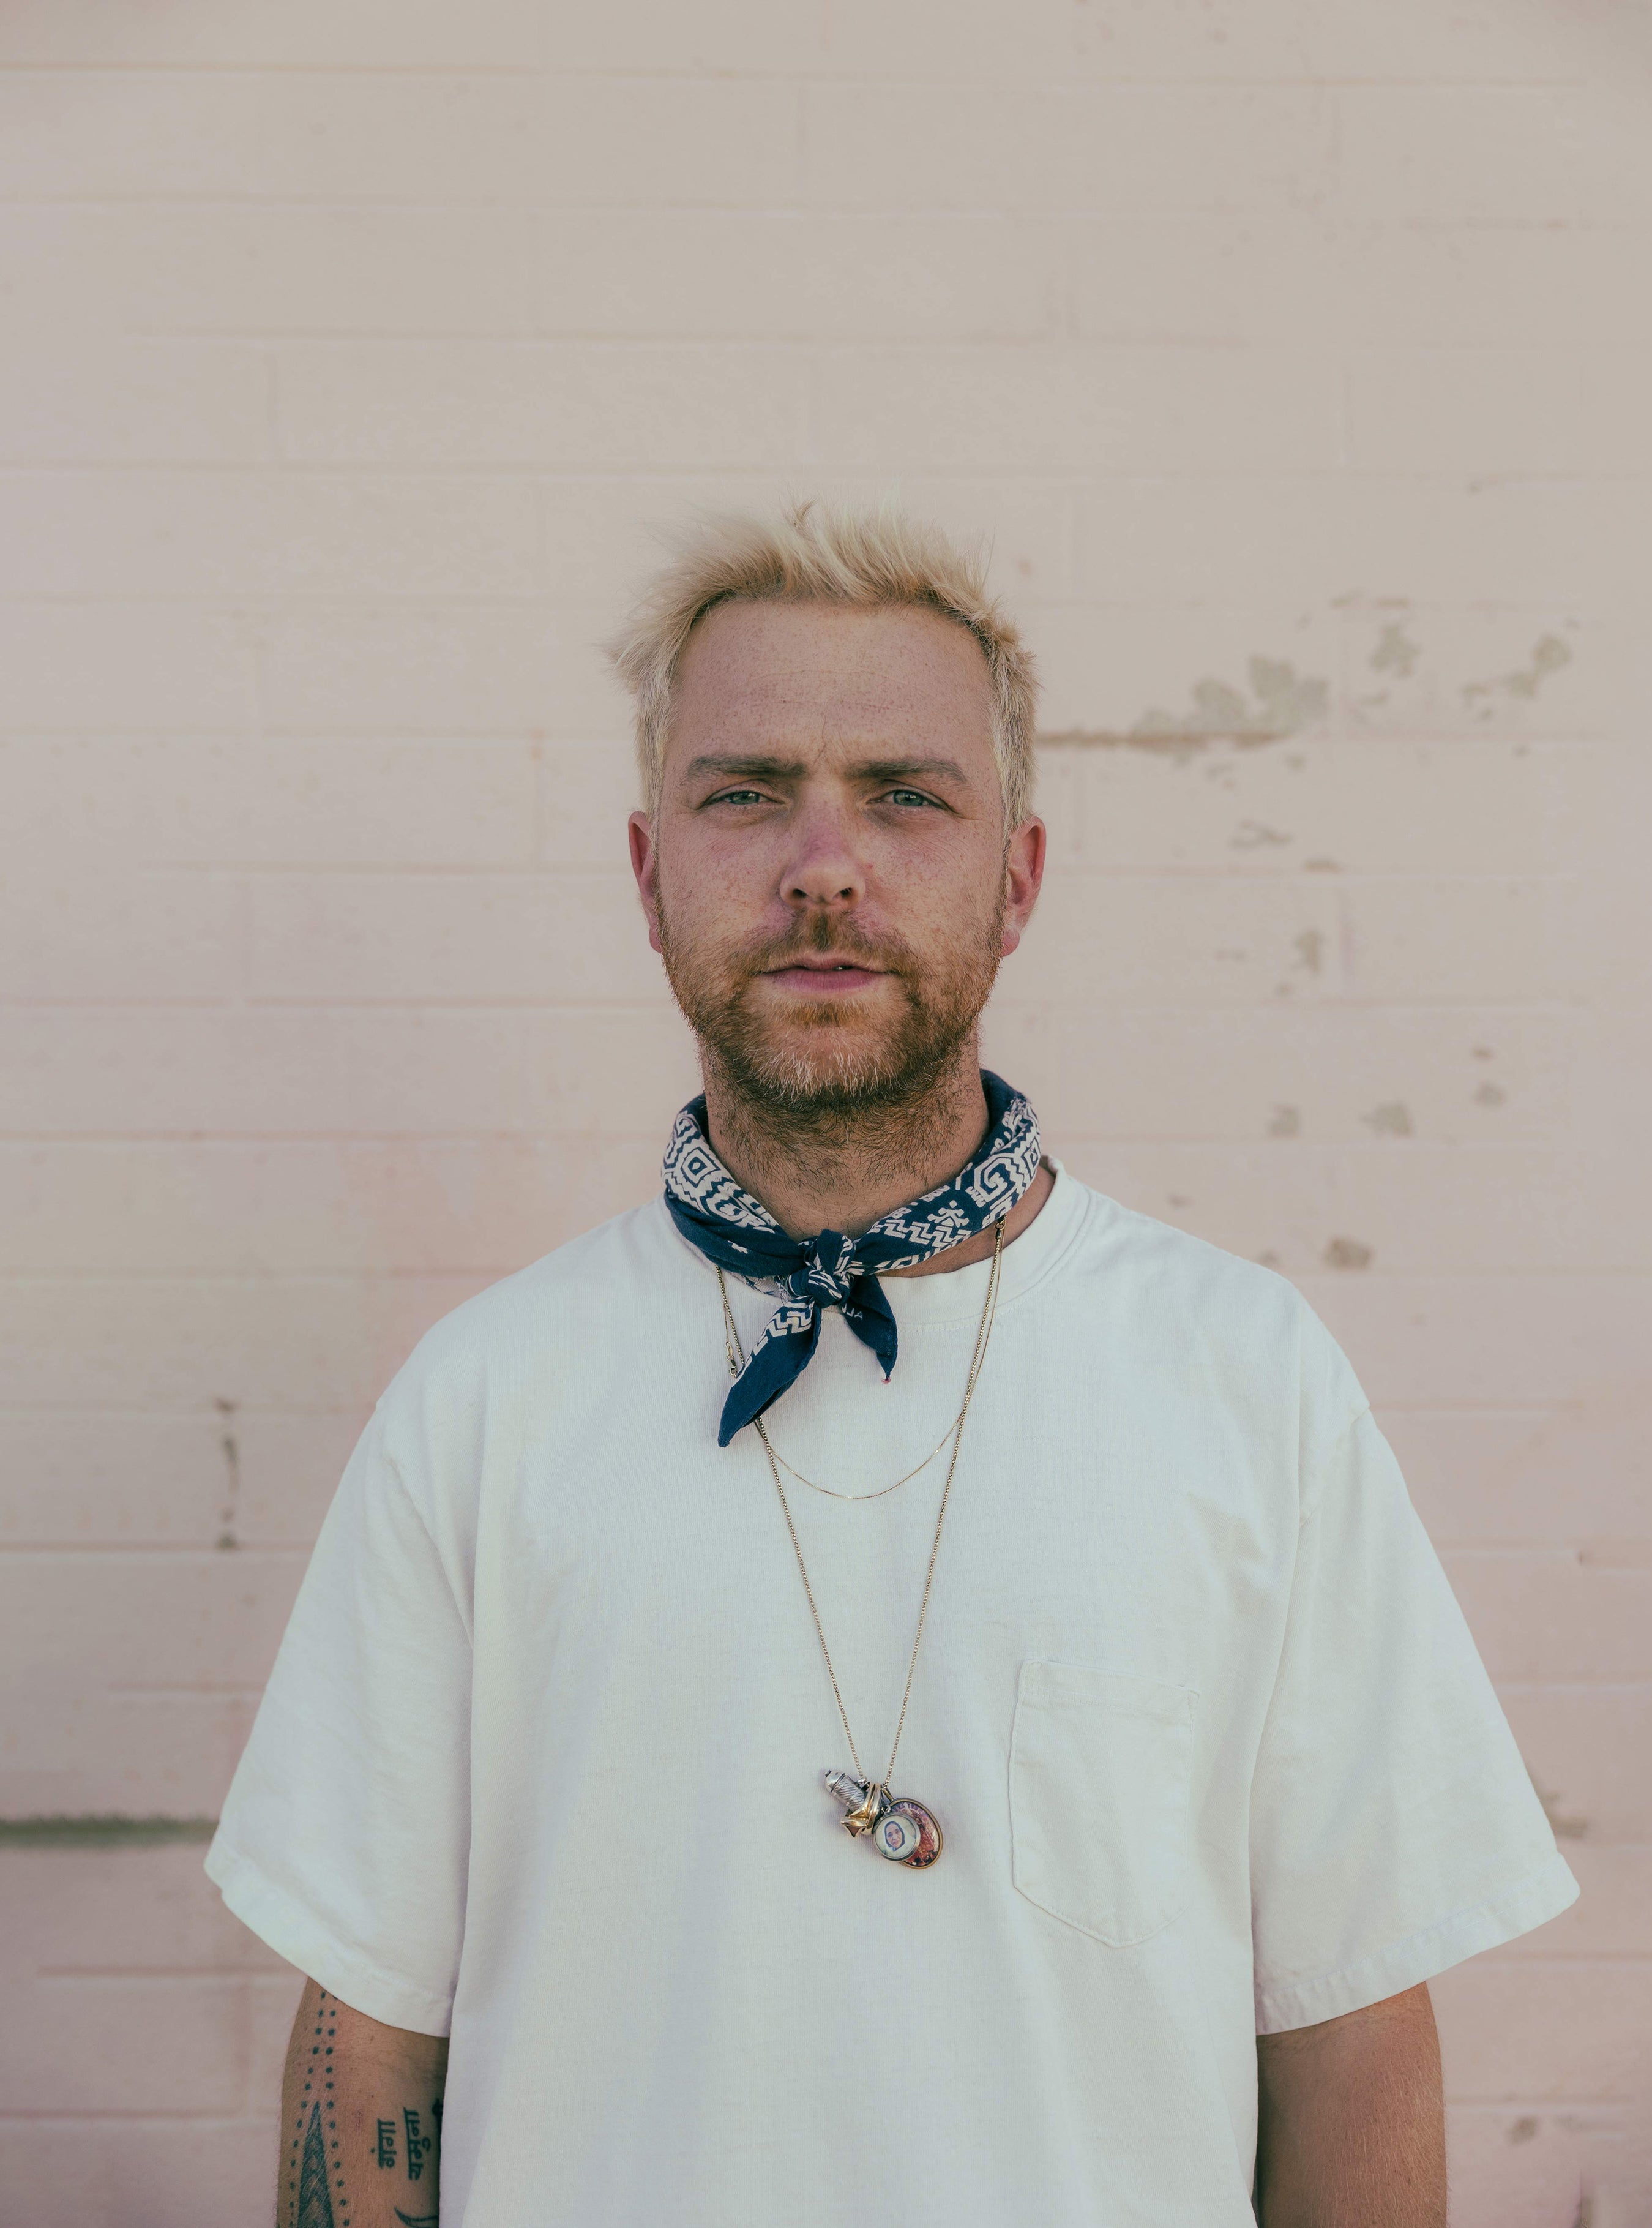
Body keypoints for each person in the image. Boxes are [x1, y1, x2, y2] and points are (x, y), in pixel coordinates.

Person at [209, 503, 1578, 2228]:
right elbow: (366, 2036)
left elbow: (1351, 2029)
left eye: (906, 795)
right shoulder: (482, 1400)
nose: (823, 864)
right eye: (745, 791)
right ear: (648, 876)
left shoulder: (1244, 1375)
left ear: (1017, 880)